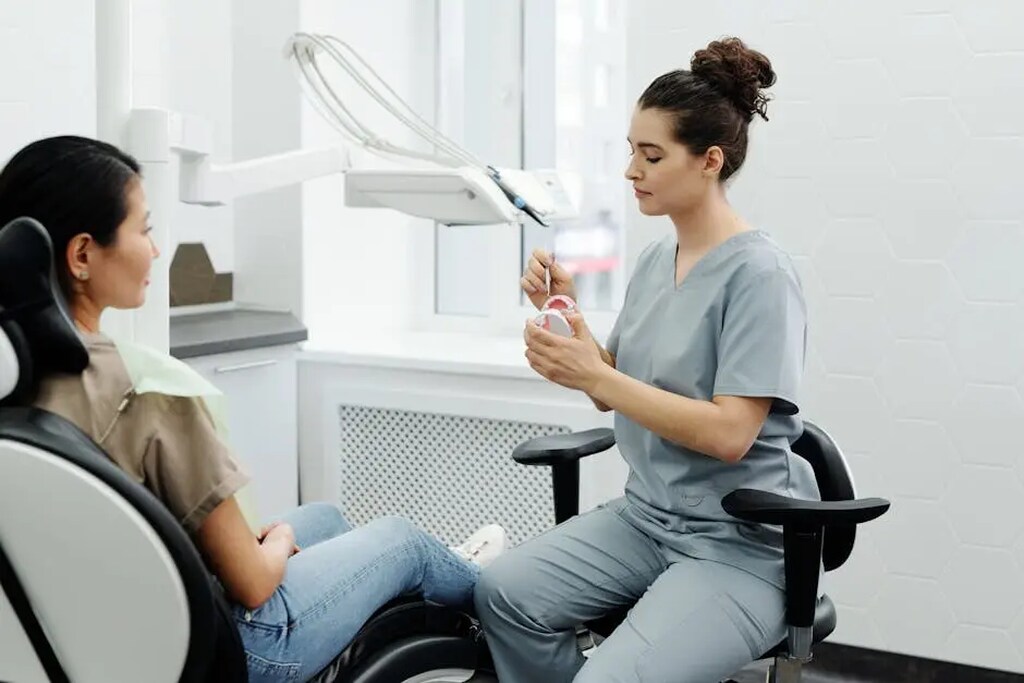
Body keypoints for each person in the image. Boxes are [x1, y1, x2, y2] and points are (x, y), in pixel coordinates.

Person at [0, 134, 507, 683]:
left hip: (99, 631)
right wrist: (280, 544)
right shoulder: (150, 392)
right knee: (405, 542)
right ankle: (498, 597)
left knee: (327, 518)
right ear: (81, 255)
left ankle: (450, 568)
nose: (155, 248)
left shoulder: (17, 374)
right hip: (234, 648)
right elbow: (253, 585)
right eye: (144, 229)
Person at [475, 37, 821, 683]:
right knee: (502, 593)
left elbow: (729, 433)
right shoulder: (653, 261)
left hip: (737, 547)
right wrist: (576, 328)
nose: (631, 170)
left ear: (709, 161)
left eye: (652, 154)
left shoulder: (761, 275)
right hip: (645, 519)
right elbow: (614, 392)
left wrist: (596, 372)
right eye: (630, 150)